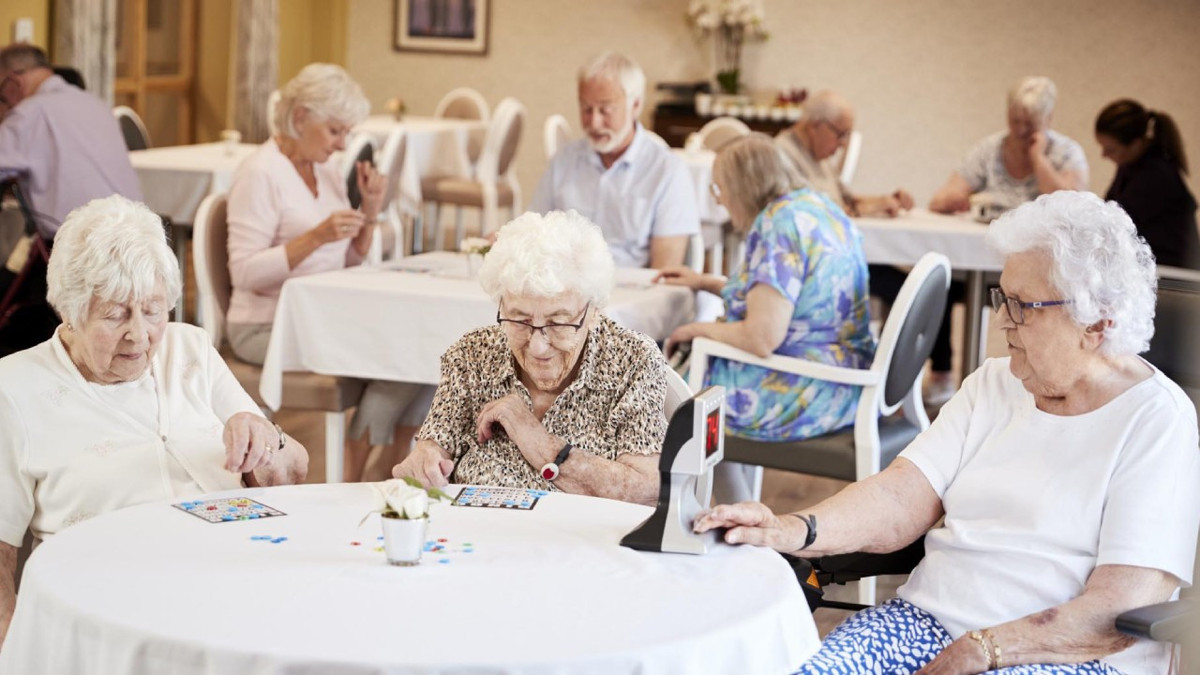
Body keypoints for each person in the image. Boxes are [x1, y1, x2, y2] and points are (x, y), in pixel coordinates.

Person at [695, 191, 1199, 675]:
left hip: (1063, 655)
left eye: (1022, 305)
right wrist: (793, 528)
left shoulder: (1155, 420)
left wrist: (987, 647)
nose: (1001, 320)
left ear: (1094, 323)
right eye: (1003, 297)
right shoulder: (993, 385)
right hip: (924, 622)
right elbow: (899, 495)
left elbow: (1123, 605)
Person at [0, 195, 310, 648]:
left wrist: (265, 441)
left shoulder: (191, 349)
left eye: (152, 309)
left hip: (239, 581)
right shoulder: (15, 388)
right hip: (112, 608)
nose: (140, 334)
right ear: (69, 310)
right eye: (114, 314)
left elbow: (293, 472)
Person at [225, 63, 427, 481]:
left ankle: (377, 472)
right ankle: (360, 475)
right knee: (407, 358)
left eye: (346, 132)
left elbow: (345, 264)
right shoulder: (260, 173)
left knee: (421, 356)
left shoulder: (326, 171)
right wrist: (314, 238)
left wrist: (368, 213)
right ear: (300, 118)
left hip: (322, 318)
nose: (342, 144)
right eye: (335, 131)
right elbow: (243, 273)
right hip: (267, 326)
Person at [391, 210, 668, 505]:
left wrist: (539, 442)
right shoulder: (473, 356)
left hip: (583, 545)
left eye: (558, 322)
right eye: (519, 320)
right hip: (480, 539)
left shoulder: (632, 361)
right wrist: (423, 462)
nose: (537, 346)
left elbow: (647, 486)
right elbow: (430, 450)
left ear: (593, 311)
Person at [656, 134, 874, 500]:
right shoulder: (814, 207)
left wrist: (695, 330)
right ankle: (735, 514)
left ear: (743, 186)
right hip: (845, 376)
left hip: (809, 388)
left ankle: (728, 521)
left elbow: (761, 336)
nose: (719, 198)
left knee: (674, 393)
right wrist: (709, 283)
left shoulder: (777, 227)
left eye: (719, 187)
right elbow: (787, 296)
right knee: (698, 383)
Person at [529, 51, 699, 269]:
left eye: (606, 110)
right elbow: (533, 233)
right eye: (586, 109)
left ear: (635, 105)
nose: (595, 122)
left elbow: (665, 273)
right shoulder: (564, 161)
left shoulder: (667, 171)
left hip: (631, 292)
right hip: (565, 292)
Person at [0, 44, 141, 237]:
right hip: (138, 237)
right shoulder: (95, 103)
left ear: (14, 82)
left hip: (83, 250)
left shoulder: (30, 113)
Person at [930, 76, 1088, 215]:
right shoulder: (988, 149)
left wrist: (1038, 158)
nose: (1021, 130)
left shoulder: (1068, 152)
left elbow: (1071, 209)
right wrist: (953, 199)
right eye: (1015, 121)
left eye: (1030, 124)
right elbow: (939, 200)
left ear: (1048, 119)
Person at [1095, 99, 1199, 269]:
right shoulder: (1129, 166)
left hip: (1173, 277)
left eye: (1111, 149)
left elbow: (1116, 221)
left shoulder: (1157, 175)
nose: (1104, 155)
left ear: (1135, 144)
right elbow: (1109, 210)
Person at [775, 89, 913, 217]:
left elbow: (847, 200)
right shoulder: (780, 154)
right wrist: (864, 209)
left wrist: (887, 200)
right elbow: (806, 212)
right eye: (840, 134)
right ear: (815, 125)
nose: (843, 143)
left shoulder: (820, 158)